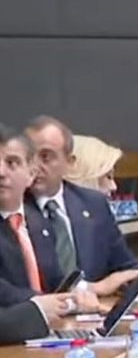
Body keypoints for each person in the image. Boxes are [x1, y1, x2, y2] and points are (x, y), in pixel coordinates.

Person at [24, 117, 138, 294]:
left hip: (96, 309)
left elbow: (125, 265)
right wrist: (98, 288)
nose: (35, 166)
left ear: (69, 162)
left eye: (45, 157)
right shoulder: (14, 210)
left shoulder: (92, 203)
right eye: (28, 157)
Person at [0, 124, 96, 313]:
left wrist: (78, 295)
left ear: (31, 174)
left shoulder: (38, 221)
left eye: (12, 163)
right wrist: (48, 303)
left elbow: (56, 280)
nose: (1, 173)